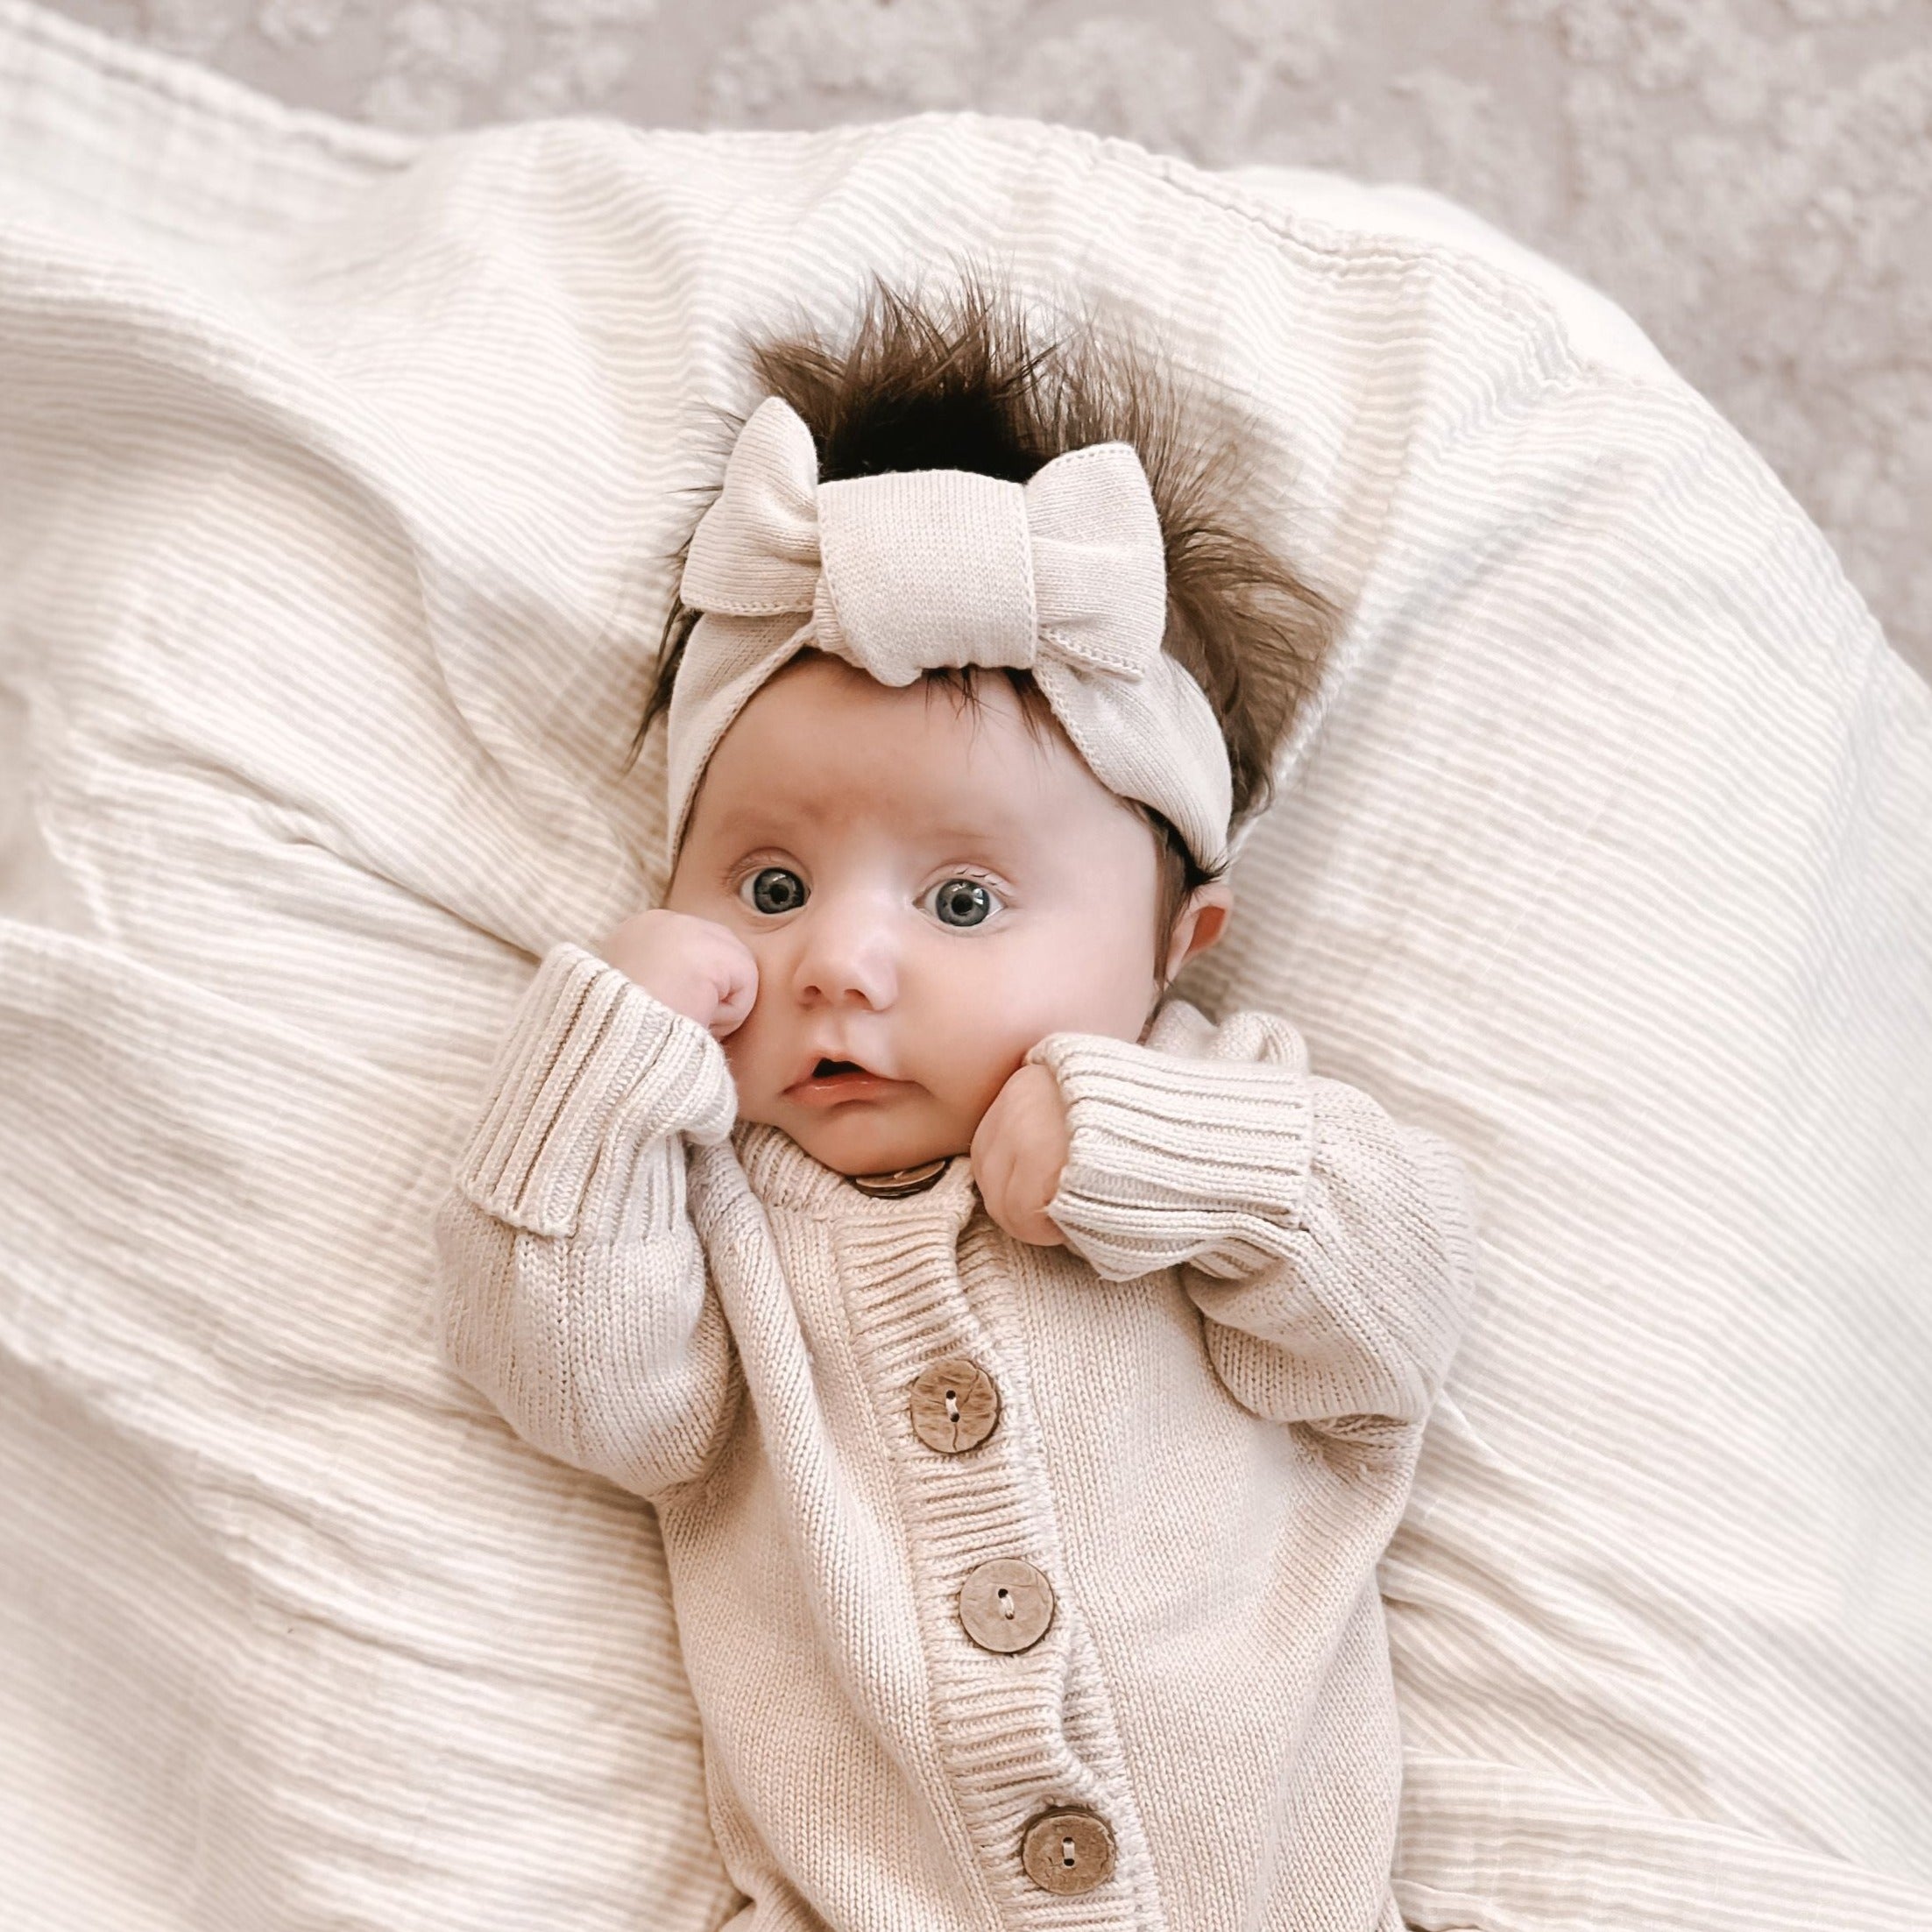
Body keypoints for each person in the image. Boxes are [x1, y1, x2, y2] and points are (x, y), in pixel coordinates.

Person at [432, 276, 1481, 1930]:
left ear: (1172, 946)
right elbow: (584, 1393)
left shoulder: (1225, 1107)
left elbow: (1393, 1310)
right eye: (767, 885)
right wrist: (608, 1061)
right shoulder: (713, 1200)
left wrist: (1149, 1153)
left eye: (967, 905)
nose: (841, 959)